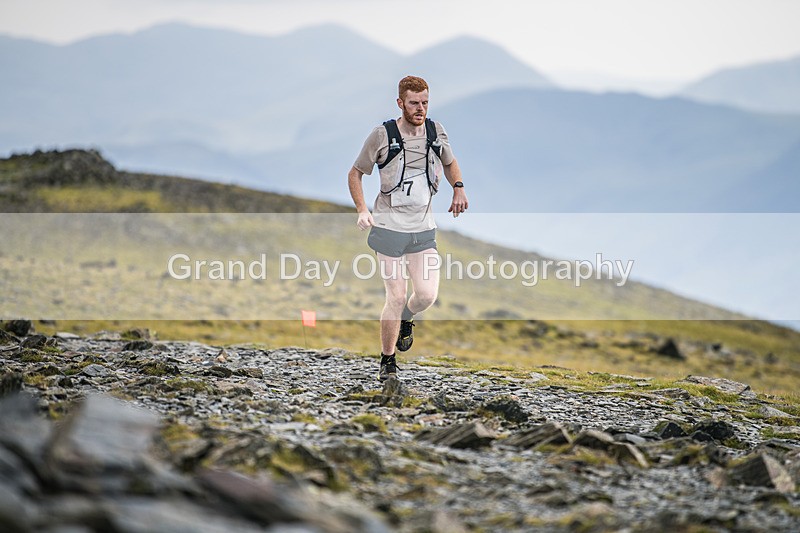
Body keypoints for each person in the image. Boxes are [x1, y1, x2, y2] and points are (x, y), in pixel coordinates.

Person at [347, 75, 468, 381]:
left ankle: (407, 319)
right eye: (414, 103)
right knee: (396, 295)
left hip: (423, 229)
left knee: (426, 295)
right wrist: (363, 210)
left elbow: (450, 162)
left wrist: (459, 188)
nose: (420, 108)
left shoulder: (435, 131)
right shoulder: (382, 135)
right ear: (400, 103)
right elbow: (355, 173)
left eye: (425, 102)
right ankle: (388, 363)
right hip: (388, 229)